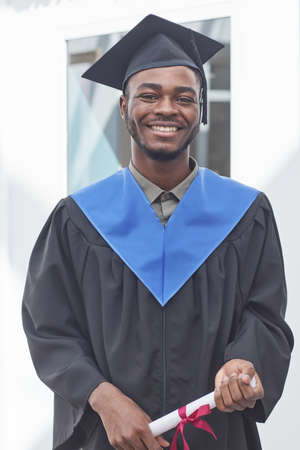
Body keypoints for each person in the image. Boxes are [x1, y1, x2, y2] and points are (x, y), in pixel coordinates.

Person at [22, 14, 293, 450]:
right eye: (149, 95)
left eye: (183, 97)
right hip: (105, 438)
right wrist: (104, 399)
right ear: (125, 106)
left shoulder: (246, 214)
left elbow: (266, 317)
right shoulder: (77, 220)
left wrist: (244, 361)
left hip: (215, 437)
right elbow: (49, 329)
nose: (166, 108)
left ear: (200, 110)